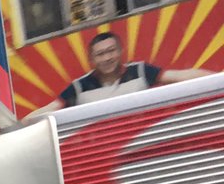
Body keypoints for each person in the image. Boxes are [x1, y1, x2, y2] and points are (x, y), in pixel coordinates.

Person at [24, 31, 214, 120]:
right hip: (101, 154)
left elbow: (180, 76)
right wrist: (17, 127)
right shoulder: (79, 87)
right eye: (100, 54)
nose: (107, 58)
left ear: (121, 51)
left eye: (111, 51)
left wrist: (218, 79)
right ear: (91, 59)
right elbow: (50, 109)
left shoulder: (140, 71)